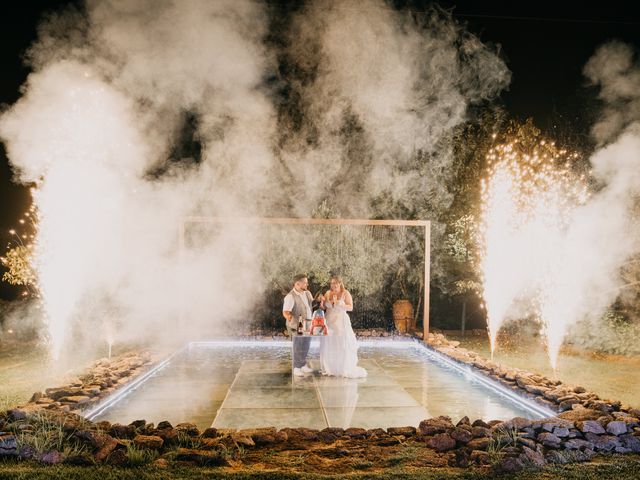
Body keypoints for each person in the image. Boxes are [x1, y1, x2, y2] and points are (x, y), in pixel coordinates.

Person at [320, 275, 367, 378]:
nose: (333, 285)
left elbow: (351, 307)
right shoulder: (328, 293)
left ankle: (342, 368)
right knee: (329, 343)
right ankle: (330, 368)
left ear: (340, 283)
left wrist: (340, 305)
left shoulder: (345, 293)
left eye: (335, 283)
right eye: (331, 283)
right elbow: (323, 307)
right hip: (329, 321)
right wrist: (322, 302)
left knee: (342, 344)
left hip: (341, 321)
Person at [282, 274, 314, 376]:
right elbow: (285, 312)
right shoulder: (290, 296)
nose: (307, 284)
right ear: (297, 283)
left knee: (306, 344)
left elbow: (311, 305)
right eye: (305, 282)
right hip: (296, 325)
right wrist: (290, 318)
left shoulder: (307, 293)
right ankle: (296, 367)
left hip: (308, 324)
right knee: (297, 345)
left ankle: (303, 365)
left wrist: (319, 301)